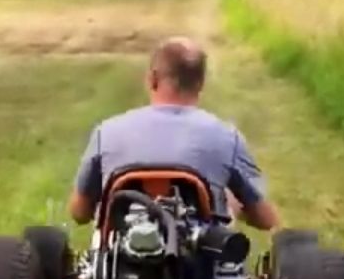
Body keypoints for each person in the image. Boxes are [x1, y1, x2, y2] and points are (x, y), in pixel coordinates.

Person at [68, 36, 281, 232]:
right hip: (200, 258)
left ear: (153, 79)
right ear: (200, 84)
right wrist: (232, 206)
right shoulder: (227, 137)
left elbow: (79, 212)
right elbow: (265, 219)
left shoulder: (107, 132)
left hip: (121, 254)